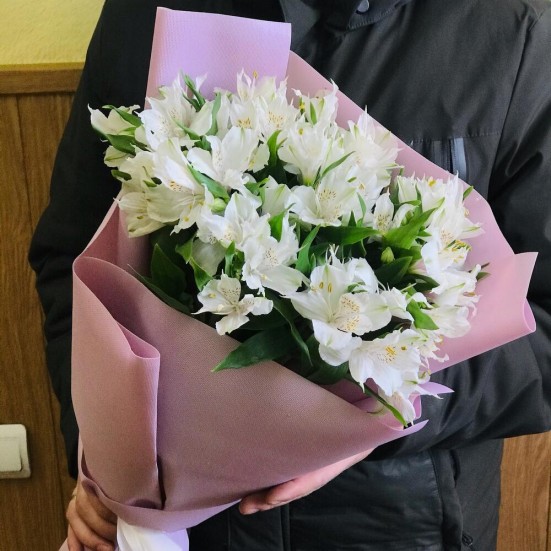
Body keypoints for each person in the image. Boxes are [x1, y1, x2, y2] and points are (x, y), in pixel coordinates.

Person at [29, 1, 551, 550]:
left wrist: (386, 416)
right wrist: (105, 458)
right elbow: (73, 259)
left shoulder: (513, 32)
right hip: (185, 519)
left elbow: (541, 324)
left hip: (401, 520)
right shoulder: (148, 12)